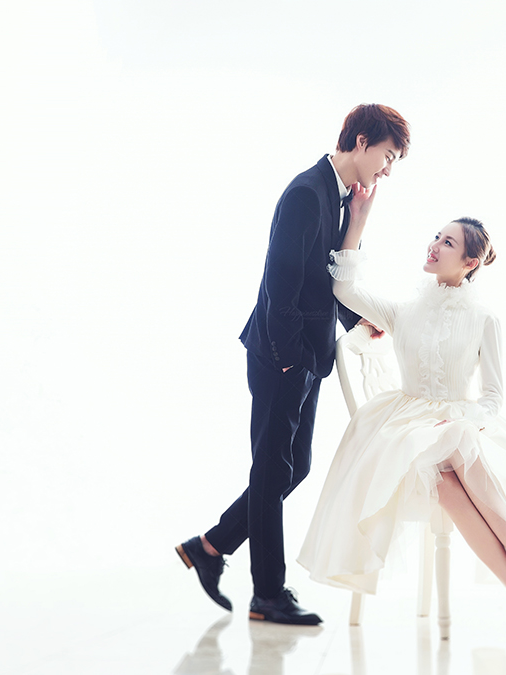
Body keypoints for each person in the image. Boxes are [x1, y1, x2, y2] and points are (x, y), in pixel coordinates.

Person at [175, 104, 411, 625]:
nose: (388, 169)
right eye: (388, 156)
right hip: (281, 357)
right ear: (362, 141)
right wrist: (289, 360)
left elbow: (326, 277)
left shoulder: (341, 195)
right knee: (271, 472)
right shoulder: (307, 193)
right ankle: (267, 595)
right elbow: (279, 285)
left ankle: (209, 548)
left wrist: (354, 315)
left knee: (292, 467)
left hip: (305, 355)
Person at [297, 196, 506, 648]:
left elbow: (493, 397)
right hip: (403, 426)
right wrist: (358, 220)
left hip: (461, 425)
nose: (434, 246)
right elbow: (344, 289)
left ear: (470, 262)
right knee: (442, 458)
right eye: (436, 237)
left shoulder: (484, 319)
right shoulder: (404, 311)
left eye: (448, 243)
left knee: (450, 461)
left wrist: (469, 421)